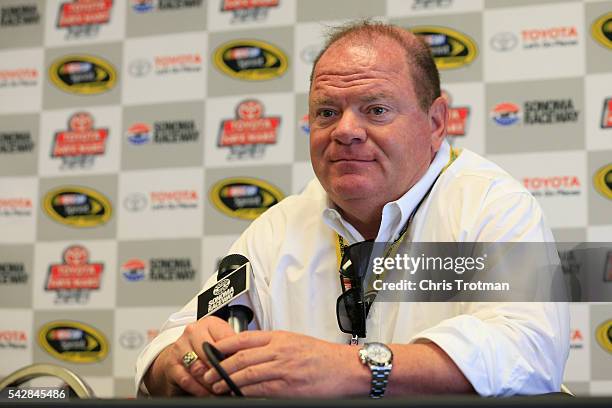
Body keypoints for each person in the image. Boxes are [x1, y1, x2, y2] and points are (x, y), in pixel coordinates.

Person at [136, 21, 569, 398]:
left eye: (375, 110)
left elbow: (529, 348)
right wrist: (181, 360)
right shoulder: (279, 226)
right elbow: (169, 347)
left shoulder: (489, 203)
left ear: (436, 122)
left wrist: (352, 368)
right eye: (327, 112)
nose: (345, 131)